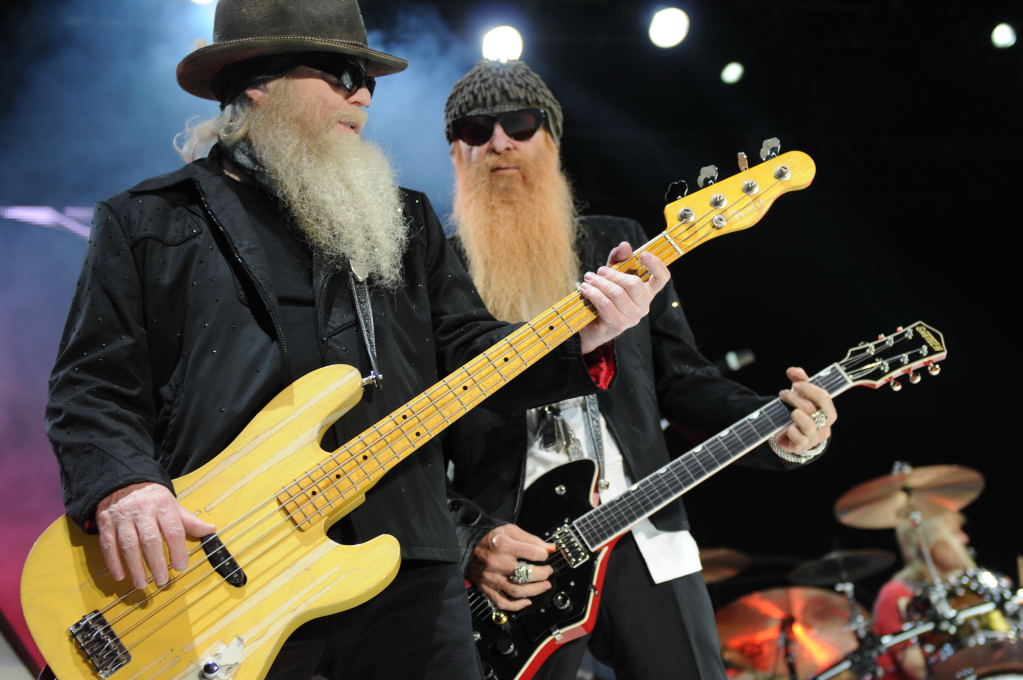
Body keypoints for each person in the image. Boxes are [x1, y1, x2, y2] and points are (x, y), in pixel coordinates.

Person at [42, 2, 671, 678]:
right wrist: (126, 487)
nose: (364, 95)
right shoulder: (149, 221)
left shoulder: (406, 219)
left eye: (368, 79)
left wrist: (585, 334)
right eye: (342, 74)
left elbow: (468, 348)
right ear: (260, 80)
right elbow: (91, 386)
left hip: (406, 567)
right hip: (229, 569)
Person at [441, 59, 838, 680]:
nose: (499, 142)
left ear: (551, 139)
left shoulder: (618, 244)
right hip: (514, 555)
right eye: (475, 129)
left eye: (519, 124)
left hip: (644, 529)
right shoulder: (437, 270)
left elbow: (685, 380)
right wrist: (468, 539)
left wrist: (778, 428)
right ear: (455, 151)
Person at [872, 511, 975, 680]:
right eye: (954, 533)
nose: (965, 539)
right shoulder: (896, 594)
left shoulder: (958, 590)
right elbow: (919, 672)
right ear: (927, 546)